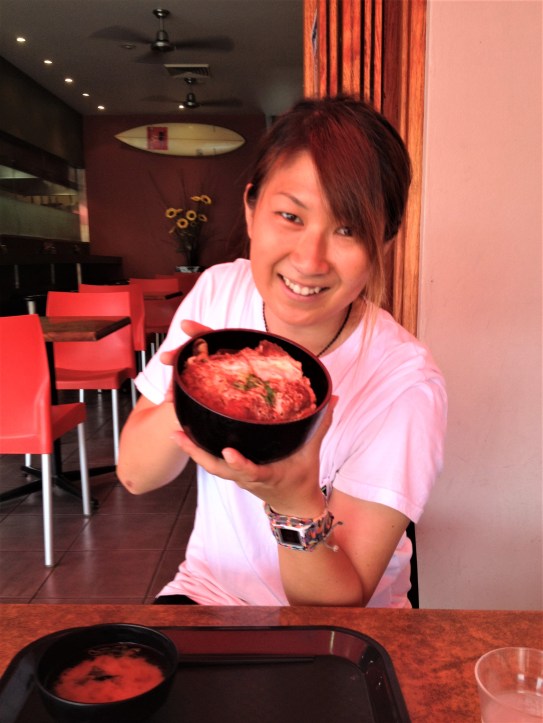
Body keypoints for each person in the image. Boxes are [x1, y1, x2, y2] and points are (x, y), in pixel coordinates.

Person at [117, 95, 447, 608]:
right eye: (291, 216)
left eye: (348, 229)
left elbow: (338, 605)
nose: (310, 261)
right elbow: (136, 476)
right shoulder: (219, 292)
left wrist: (294, 499)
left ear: (384, 242)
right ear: (252, 210)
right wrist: (200, 390)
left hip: (337, 629)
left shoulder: (403, 382)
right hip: (207, 593)